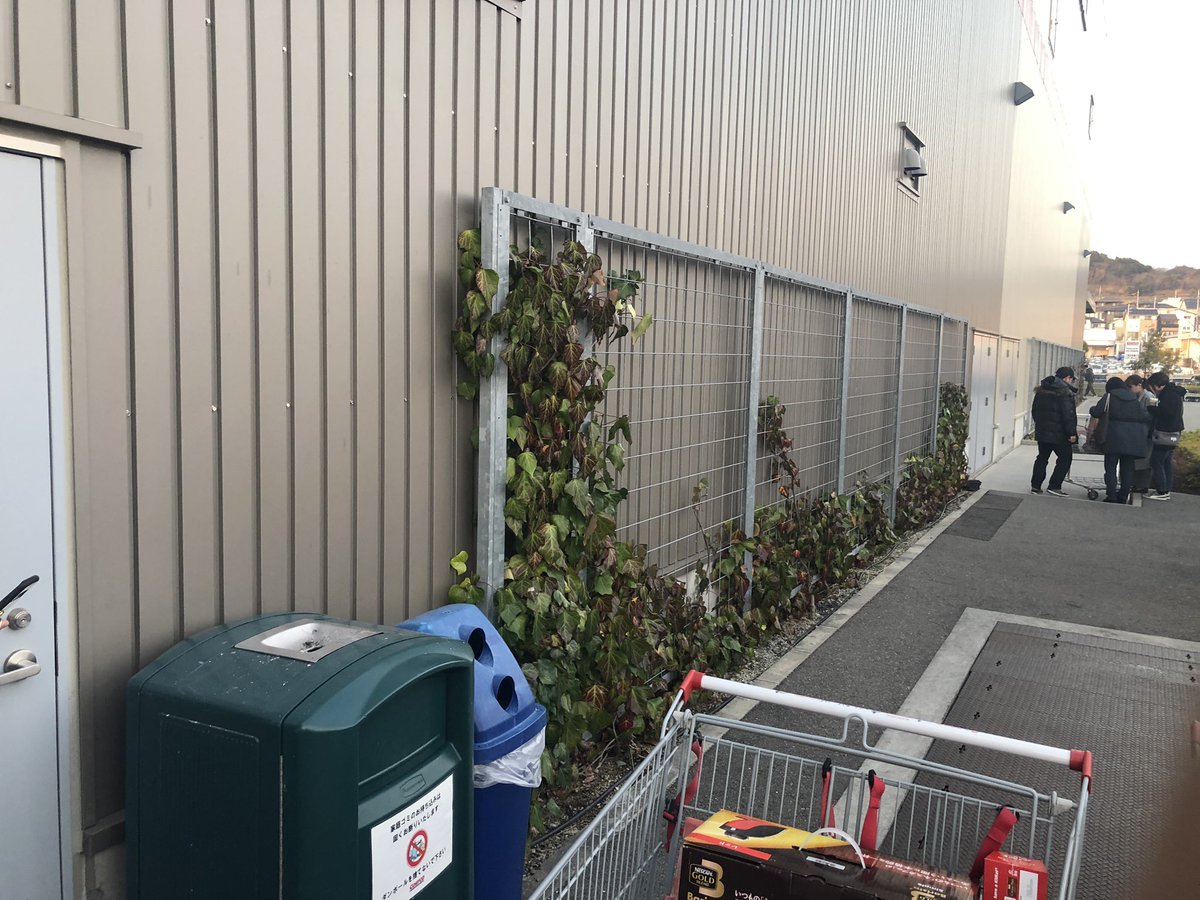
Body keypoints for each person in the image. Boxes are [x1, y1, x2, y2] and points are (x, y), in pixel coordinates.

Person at [1088, 376, 1151, 504]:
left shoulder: (1109, 396)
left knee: (1110, 468)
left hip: (1112, 438)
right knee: (1127, 469)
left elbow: (1097, 412)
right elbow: (1145, 416)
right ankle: (1123, 497)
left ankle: (1111, 496)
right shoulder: (1134, 398)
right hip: (1133, 439)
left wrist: (1092, 409)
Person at [1029, 366, 1078, 496]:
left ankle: (1035, 486)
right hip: (1060, 435)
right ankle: (1054, 486)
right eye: (1072, 379)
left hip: (1043, 432)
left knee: (1042, 458)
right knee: (1065, 458)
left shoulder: (1041, 390)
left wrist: (1041, 425)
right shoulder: (1065, 393)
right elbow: (1068, 415)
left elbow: (1034, 410)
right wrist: (1072, 433)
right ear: (1067, 378)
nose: (1071, 382)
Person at [1145, 370, 1186, 501]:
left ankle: (1162, 490)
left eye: (1152, 387)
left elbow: (1167, 413)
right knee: (1166, 462)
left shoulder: (1168, 395)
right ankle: (1166, 489)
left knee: (1156, 461)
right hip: (1173, 432)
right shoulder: (1174, 393)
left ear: (1157, 386)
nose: (1152, 390)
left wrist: (1152, 409)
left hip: (1166, 432)